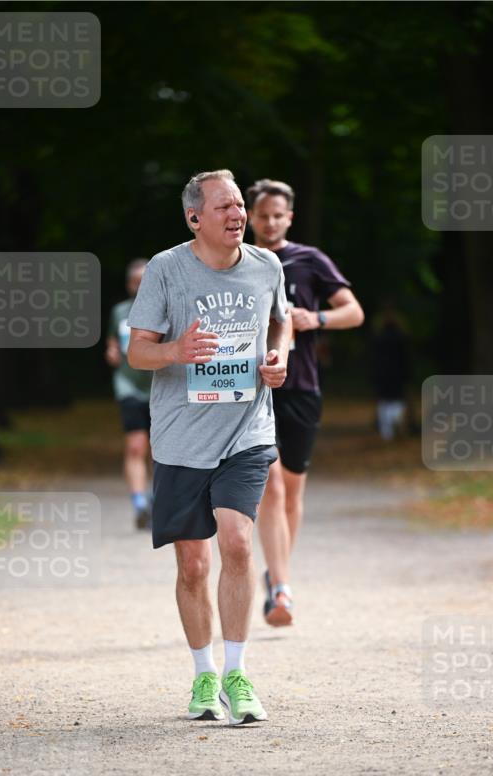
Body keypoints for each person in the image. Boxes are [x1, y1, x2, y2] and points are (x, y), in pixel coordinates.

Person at [127, 170, 291, 726]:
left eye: (240, 204)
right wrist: (176, 351)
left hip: (247, 430)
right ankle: (203, 675)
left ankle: (238, 672)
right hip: (180, 437)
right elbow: (137, 353)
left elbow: (281, 324)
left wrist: (278, 358)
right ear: (195, 217)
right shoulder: (167, 269)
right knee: (194, 564)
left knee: (238, 544)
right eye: (224, 206)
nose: (237, 214)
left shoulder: (267, 266)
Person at [246, 178, 364, 627]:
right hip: (255, 390)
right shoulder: (242, 263)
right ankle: (283, 590)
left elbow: (353, 311)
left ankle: (277, 571)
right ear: (251, 218)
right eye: (263, 215)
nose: (271, 222)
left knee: (292, 492)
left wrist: (315, 318)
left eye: (279, 215)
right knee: (270, 486)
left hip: (302, 388)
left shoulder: (308, 260)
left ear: (289, 218)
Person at [105, 259, 152, 529]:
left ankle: (157, 500)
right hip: (129, 385)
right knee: (136, 445)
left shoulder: (166, 309)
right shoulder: (119, 312)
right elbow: (112, 342)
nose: (140, 286)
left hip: (160, 386)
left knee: (161, 451)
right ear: (129, 284)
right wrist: (112, 352)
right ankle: (139, 505)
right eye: (136, 281)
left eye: (145, 280)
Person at [371, 301, 411, 441]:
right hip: (395, 374)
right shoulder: (400, 337)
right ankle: (394, 428)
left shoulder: (379, 337)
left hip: (385, 374)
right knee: (394, 401)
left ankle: (388, 432)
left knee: (386, 401)